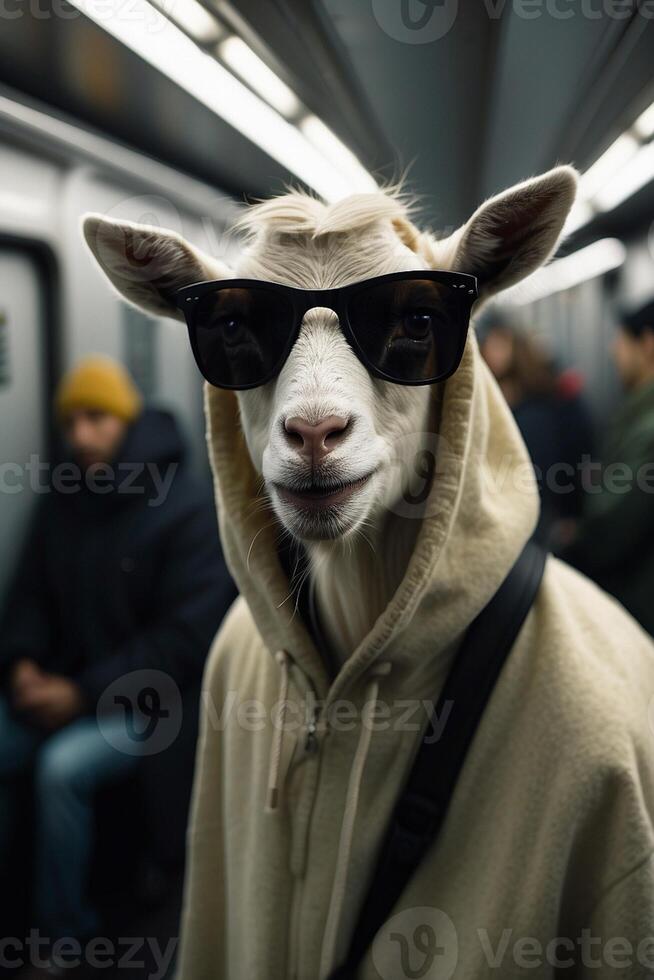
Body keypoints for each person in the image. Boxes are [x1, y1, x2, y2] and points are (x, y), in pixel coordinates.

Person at [0, 355, 236, 970]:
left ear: (126, 421)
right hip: (62, 685)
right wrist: (22, 662)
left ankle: (62, 937)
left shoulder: (183, 504)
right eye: (71, 421)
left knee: (60, 769)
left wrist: (82, 693)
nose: (81, 434)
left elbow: (184, 639)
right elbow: (31, 595)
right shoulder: (66, 499)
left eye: (96, 417)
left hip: (152, 699)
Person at [564, 297, 654, 635]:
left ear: (647, 344)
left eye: (621, 341)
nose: (614, 352)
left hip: (636, 617)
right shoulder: (637, 416)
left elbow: (607, 529)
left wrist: (576, 536)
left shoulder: (648, 428)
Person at [480, 317, 595, 545]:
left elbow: (566, 453)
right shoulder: (487, 391)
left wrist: (570, 511)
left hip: (540, 502)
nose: (495, 352)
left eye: (501, 343)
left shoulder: (540, 399)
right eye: (491, 344)